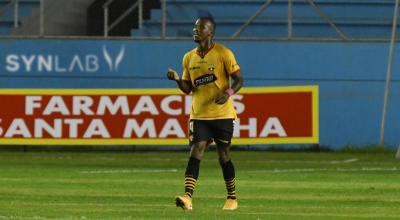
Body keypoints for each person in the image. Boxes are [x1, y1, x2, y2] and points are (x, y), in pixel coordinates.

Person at [167, 16, 244, 211]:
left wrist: (227, 94)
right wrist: (177, 79)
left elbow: (239, 80)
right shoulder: (188, 57)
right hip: (199, 115)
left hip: (222, 115)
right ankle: (187, 197)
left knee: (223, 154)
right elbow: (187, 89)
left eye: (200, 27)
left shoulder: (223, 53)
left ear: (210, 32)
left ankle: (232, 198)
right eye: (194, 27)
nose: (196, 30)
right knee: (196, 150)